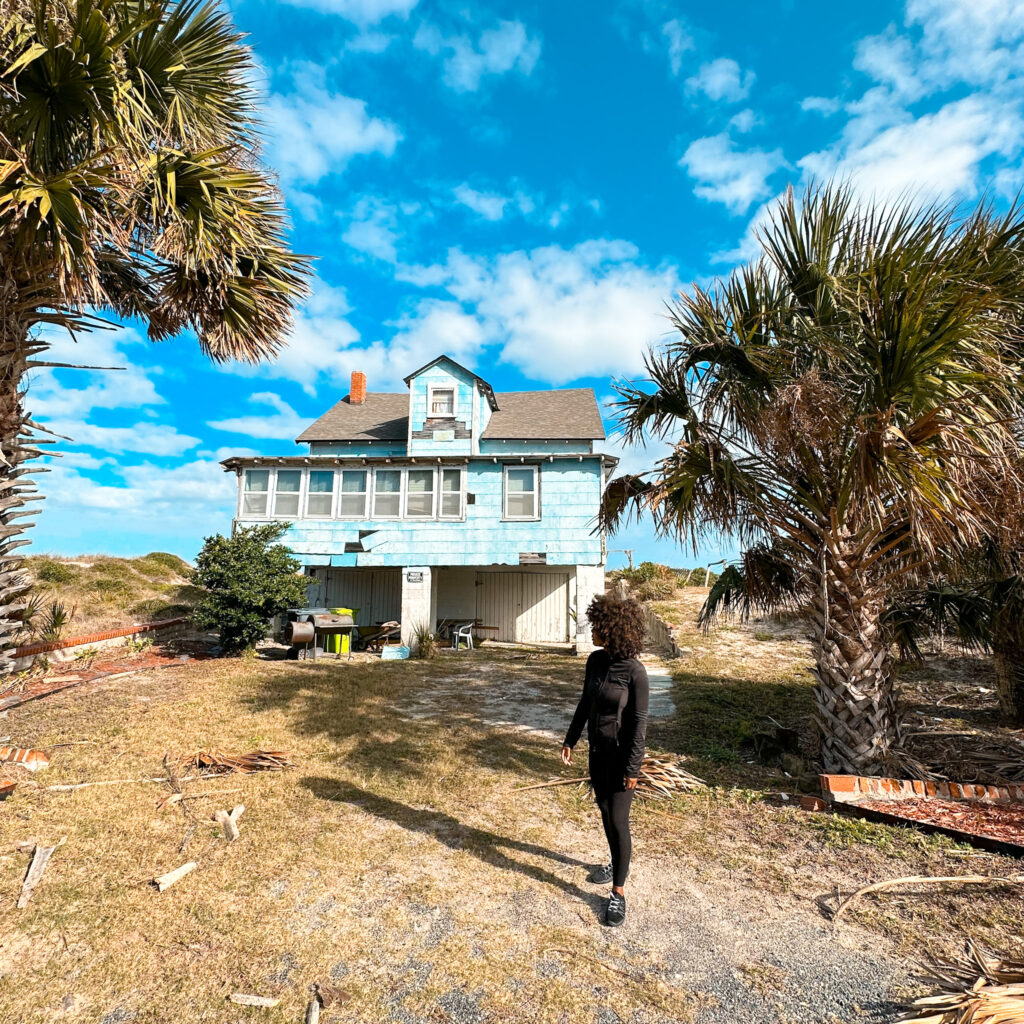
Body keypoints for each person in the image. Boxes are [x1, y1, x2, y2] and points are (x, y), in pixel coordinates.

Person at [561, 594, 649, 927]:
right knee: (604, 812)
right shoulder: (595, 661)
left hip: (621, 758)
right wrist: (570, 739)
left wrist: (633, 768)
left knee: (618, 820)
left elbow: (639, 724)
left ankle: (618, 892)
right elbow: (585, 704)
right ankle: (616, 860)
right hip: (597, 754)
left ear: (612, 629)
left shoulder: (635, 672)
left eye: (598, 626)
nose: (593, 631)